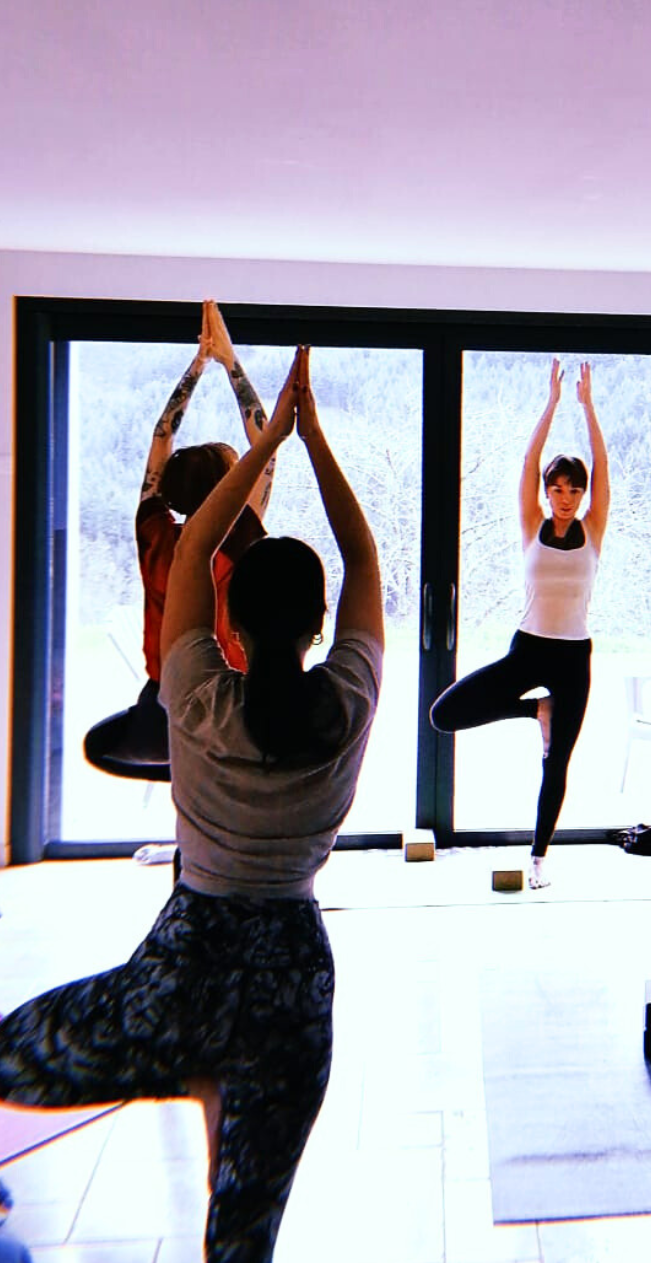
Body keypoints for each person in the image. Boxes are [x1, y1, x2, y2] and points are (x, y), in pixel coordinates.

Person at [1, 346, 383, 1262]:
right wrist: (310, 441)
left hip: (187, 964)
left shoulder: (196, 696)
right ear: (319, 625)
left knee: (12, 1054)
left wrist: (268, 446)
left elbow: (196, 551)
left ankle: (189, 1062)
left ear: (230, 621)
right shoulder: (346, 706)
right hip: (293, 981)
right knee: (241, 1238)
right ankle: (208, 1073)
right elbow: (363, 554)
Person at [430, 359, 609, 888]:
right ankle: (536, 709)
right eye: (558, 489)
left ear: (582, 495)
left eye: (574, 491)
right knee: (446, 713)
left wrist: (588, 407)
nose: (566, 498)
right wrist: (552, 403)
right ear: (547, 491)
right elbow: (530, 461)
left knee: (557, 762)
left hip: (573, 656)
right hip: (528, 649)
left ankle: (538, 858)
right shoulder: (531, 525)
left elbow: (601, 464)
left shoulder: (594, 530)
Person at [84, 300, 272, 774]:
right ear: (227, 490)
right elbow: (266, 444)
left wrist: (197, 367)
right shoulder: (237, 539)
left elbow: (160, 437)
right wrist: (229, 362)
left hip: (163, 699)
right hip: (227, 700)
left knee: (100, 746)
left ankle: (187, 763)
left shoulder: (156, 536)